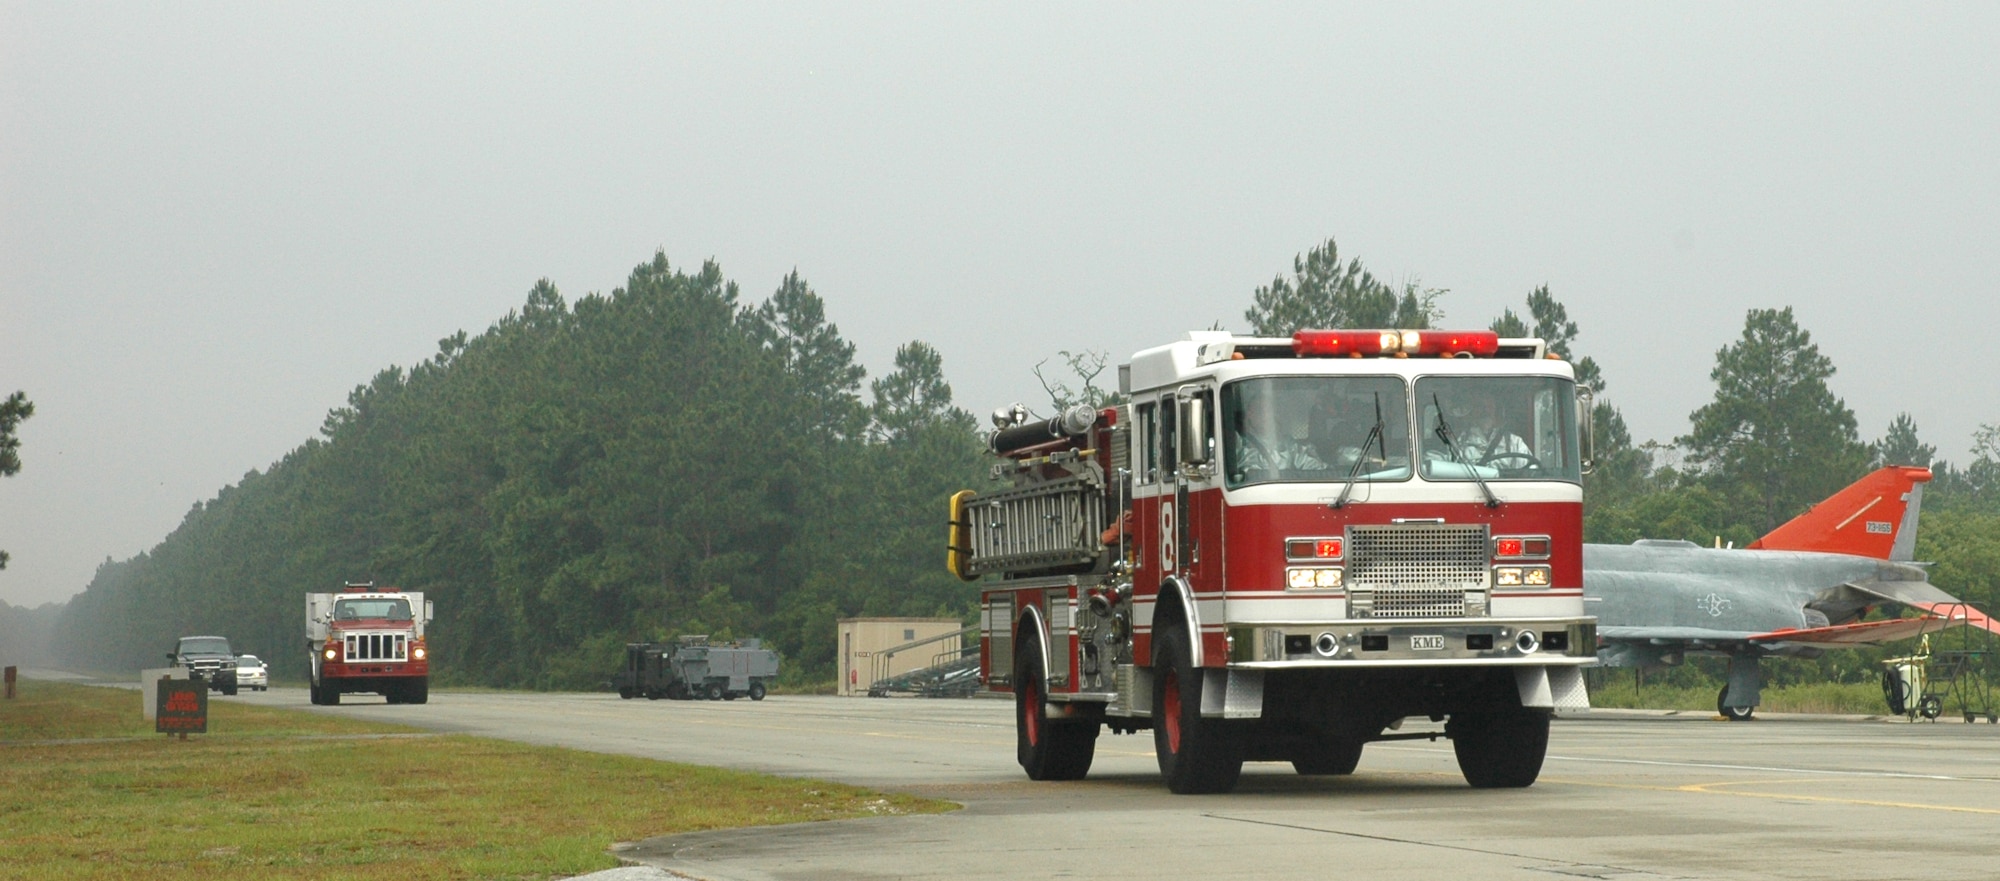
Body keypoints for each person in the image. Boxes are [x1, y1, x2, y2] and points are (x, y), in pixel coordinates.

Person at [1230, 387, 1326, 480]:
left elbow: (1317, 471)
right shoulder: (1238, 443)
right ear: (1249, 414)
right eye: (1260, 410)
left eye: (1269, 411)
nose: (1266, 415)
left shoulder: (1290, 446)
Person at [1455, 396, 1530, 465]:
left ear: (1496, 411)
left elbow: (1529, 473)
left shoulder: (1515, 442)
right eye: (1480, 406)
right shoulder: (1459, 442)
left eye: (1489, 406)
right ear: (1472, 412)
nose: (1486, 410)